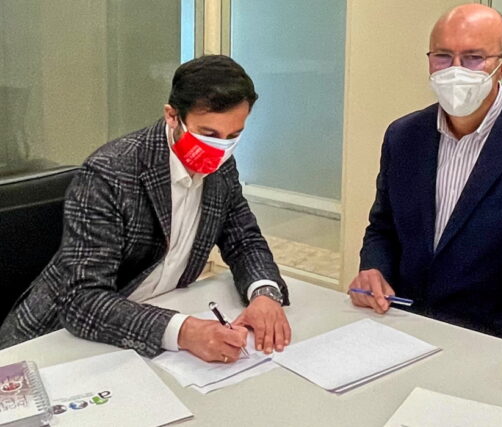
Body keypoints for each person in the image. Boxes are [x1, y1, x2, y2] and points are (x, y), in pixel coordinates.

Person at [348, 4, 502, 388]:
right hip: (404, 331)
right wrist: (374, 269)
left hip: (498, 345)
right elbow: (384, 228)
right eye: (442, 56)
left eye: (473, 58)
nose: (455, 70)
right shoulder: (403, 136)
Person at [0, 55, 291, 364]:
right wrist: (184, 331)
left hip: (152, 321)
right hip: (56, 342)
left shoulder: (221, 167)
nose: (220, 150)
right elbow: (81, 299)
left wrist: (264, 293)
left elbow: (244, 240)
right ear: (172, 116)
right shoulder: (110, 173)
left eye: (232, 136)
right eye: (208, 135)